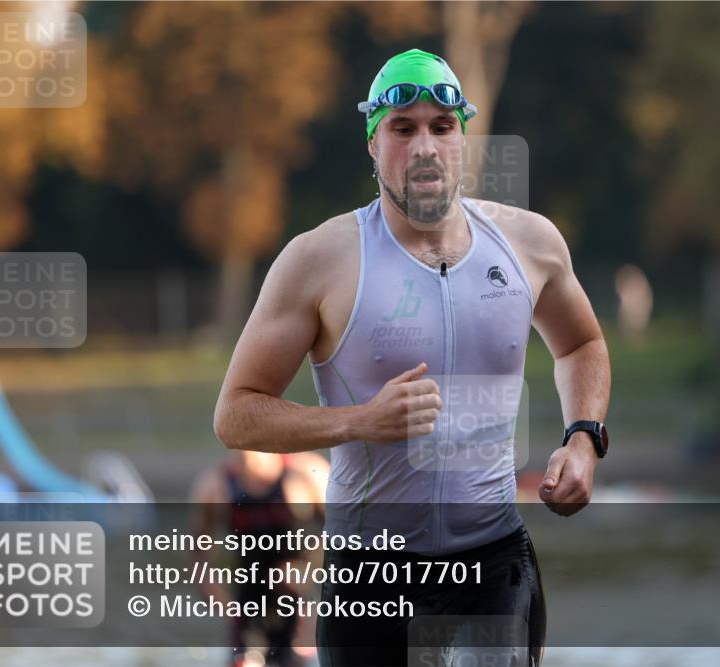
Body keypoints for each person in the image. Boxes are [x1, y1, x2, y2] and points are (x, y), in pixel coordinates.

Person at [213, 48, 611, 667]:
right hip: (369, 577)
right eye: (403, 129)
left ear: (462, 141)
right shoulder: (320, 260)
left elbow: (581, 344)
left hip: (493, 563)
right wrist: (359, 421)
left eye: (441, 128)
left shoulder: (530, 244)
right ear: (373, 144)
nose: (424, 146)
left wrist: (583, 437)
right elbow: (235, 414)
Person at [190, 449, 328, 667]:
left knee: (295, 658)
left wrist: (311, 577)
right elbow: (199, 548)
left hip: (296, 597)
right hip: (248, 600)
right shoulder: (215, 483)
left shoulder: (305, 473)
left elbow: (339, 537)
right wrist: (212, 590)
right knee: (243, 661)